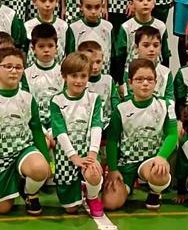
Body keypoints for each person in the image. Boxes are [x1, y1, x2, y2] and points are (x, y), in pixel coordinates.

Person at [0, 47, 52, 215]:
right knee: (2, 209)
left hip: (24, 150)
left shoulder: (28, 98)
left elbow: (36, 130)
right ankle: (3, 188)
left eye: (18, 67)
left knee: (40, 169)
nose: (14, 71)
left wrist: (47, 161)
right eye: (8, 66)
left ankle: (29, 192)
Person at [102, 58, 177, 211]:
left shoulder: (166, 106)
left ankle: (154, 192)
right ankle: (127, 188)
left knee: (160, 173)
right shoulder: (121, 109)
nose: (145, 83)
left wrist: (161, 156)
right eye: (139, 79)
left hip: (151, 161)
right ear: (130, 83)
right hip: (126, 163)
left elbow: (172, 135)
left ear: (156, 82)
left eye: (150, 79)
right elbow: (112, 141)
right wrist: (113, 169)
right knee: (110, 203)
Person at [49, 52, 105, 216]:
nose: (79, 81)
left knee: (94, 173)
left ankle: (92, 195)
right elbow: (60, 132)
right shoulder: (57, 101)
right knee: (71, 209)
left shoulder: (94, 99)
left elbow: (96, 126)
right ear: (64, 76)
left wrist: (92, 154)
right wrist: (73, 157)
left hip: (88, 152)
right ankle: (78, 186)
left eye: (83, 76)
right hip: (66, 155)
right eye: (74, 76)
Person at [112, 0, 171, 82]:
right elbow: (120, 57)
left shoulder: (160, 26)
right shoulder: (126, 27)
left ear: (154, 3)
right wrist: (120, 82)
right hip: (132, 77)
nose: (145, 3)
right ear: (131, 4)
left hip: (156, 76)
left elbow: (165, 55)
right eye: (140, 0)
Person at [25, 23, 64, 145]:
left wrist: (54, 130)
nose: (46, 50)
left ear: (56, 47)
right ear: (33, 48)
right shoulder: (26, 74)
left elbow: (66, 105)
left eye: (50, 46)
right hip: (35, 126)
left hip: (59, 125)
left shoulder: (64, 73)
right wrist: (41, 130)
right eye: (41, 46)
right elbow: (26, 106)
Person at [65, 0, 114, 78]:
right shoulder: (74, 28)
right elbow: (71, 57)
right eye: (89, 7)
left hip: (103, 78)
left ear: (102, 6)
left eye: (97, 7)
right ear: (81, 7)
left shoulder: (108, 27)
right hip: (81, 79)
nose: (93, 11)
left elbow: (113, 57)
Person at [125, 25, 173, 109]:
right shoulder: (128, 70)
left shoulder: (166, 72)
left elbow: (170, 99)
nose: (151, 49)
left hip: (160, 115)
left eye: (155, 45)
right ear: (136, 48)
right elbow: (128, 97)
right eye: (146, 45)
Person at [77, 40, 120, 131]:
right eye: (91, 63)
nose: (95, 67)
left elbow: (115, 103)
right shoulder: (78, 82)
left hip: (107, 124)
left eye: (98, 62)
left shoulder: (108, 80)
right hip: (85, 124)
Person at [24, 0, 69, 65]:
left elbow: (68, 52)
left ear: (57, 1)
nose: (47, 4)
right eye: (43, 0)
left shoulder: (63, 26)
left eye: (51, 0)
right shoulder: (27, 26)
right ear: (35, 2)